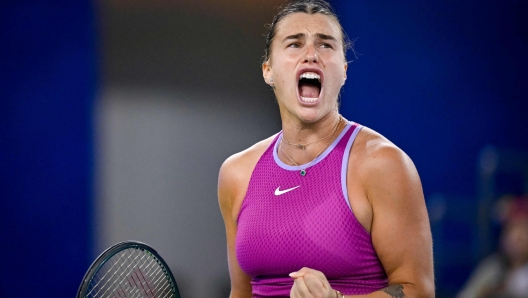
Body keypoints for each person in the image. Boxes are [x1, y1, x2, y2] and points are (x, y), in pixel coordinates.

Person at [218, 1, 434, 297]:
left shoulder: (383, 164)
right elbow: (240, 293)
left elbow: (418, 290)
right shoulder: (236, 174)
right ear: (268, 70)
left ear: (344, 71)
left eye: (326, 45)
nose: (311, 55)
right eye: (294, 44)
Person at [457, 196, 528, 298]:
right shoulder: (491, 268)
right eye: (512, 231)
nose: (518, 238)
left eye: (524, 232)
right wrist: (486, 291)